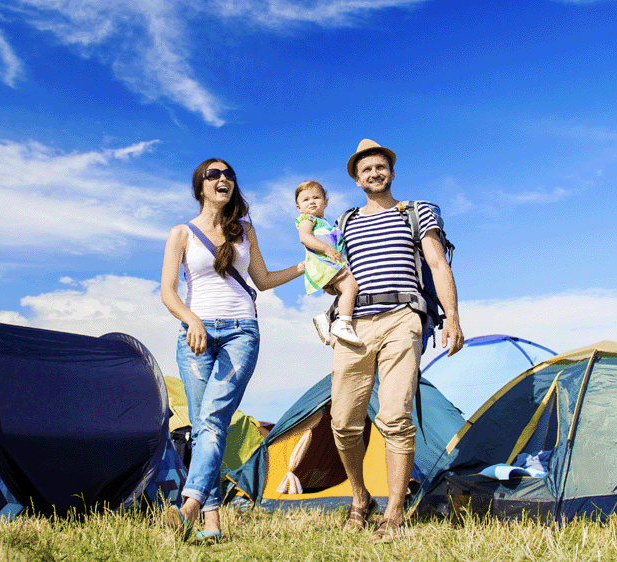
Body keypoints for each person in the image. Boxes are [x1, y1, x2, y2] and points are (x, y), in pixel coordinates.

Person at [160, 158, 304, 542]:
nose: (223, 179)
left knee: (214, 417)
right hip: (196, 334)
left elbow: (263, 279)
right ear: (200, 187)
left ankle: (189, 504)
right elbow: (168, 292)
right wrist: (192, 321)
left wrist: (307, 266)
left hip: (242, 332)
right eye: (214, 175)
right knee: (202, 426)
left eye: (229, 175)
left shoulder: (245, 230)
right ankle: (211, 524)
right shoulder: (181, 233)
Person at [331, 139, 463, 543]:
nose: (374, 172)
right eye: (366, 169)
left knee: (394, 416)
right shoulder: (345, 220)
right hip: (354, 324)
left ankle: (394, 511)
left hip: (403, 317)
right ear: (356, 179)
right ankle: (359, 497)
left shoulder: (417, 211)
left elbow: (437, 263)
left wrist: (453, 316)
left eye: (380, 166)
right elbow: (332, 274)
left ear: (391, 171)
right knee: (343, 423)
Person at [293, 180, 362, 346]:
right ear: (298, 207)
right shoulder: (307, 219)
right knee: (351, 287)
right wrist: (326, 249)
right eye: (306, 199)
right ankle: (343, 324)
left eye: (316, 197)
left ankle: (328, 317)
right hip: (324, 263)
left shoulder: (326, 224)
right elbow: (305, 237)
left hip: (330, 265)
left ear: (325, 202)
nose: (312, 202)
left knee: (346, 292)